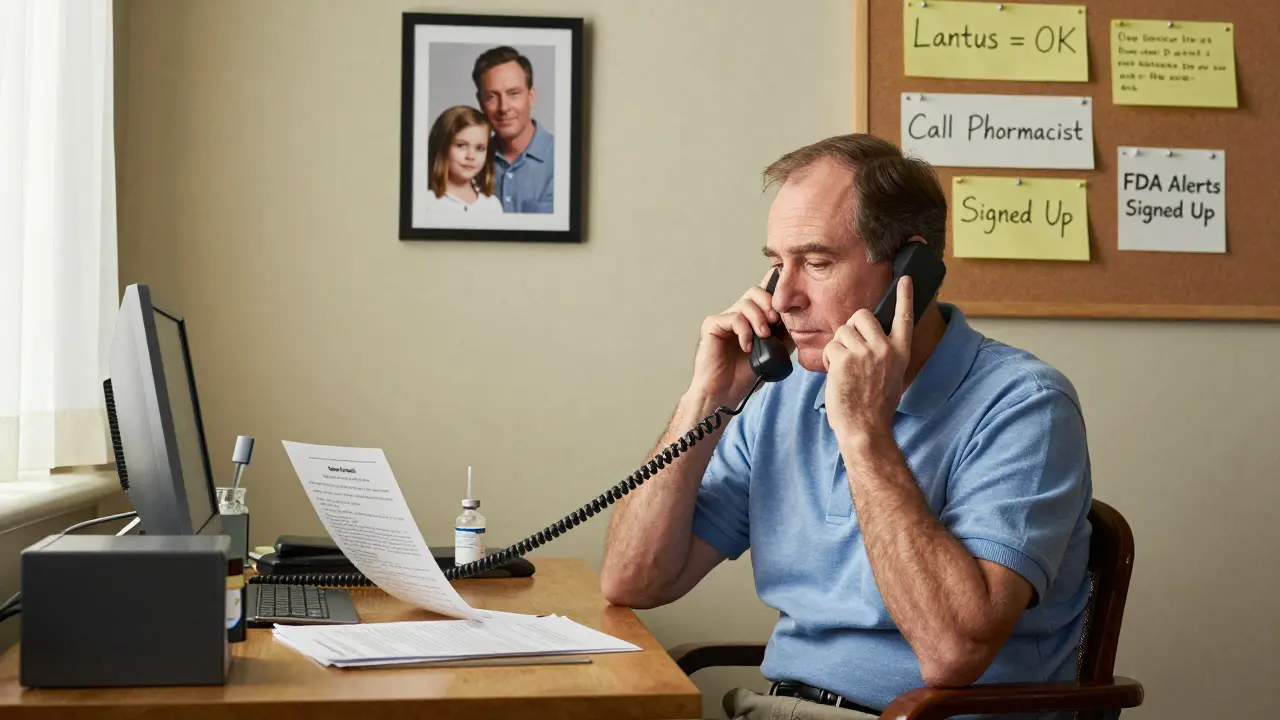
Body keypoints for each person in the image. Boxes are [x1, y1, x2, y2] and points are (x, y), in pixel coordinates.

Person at [600, 134, 1093, 720]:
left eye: (816, 263)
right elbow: (634, 581)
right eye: (776, 265)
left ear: (911, 271)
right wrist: (705, 398)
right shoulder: (782, 393)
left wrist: (864, 434)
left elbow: (953, 653)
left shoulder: (1025, 406)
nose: (784, 298)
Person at [471, 45, 553, 214]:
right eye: (492, 97)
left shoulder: (565, 158)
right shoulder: (467, 162)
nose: (504, 107)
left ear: (531, 97)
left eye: (513, 93)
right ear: (480, 102)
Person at [423, 105, 503, 215]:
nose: (471, 156)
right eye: (461, 145)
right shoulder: (426, 202)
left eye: (479, 148)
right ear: (442, 147)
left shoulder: (492, 205)